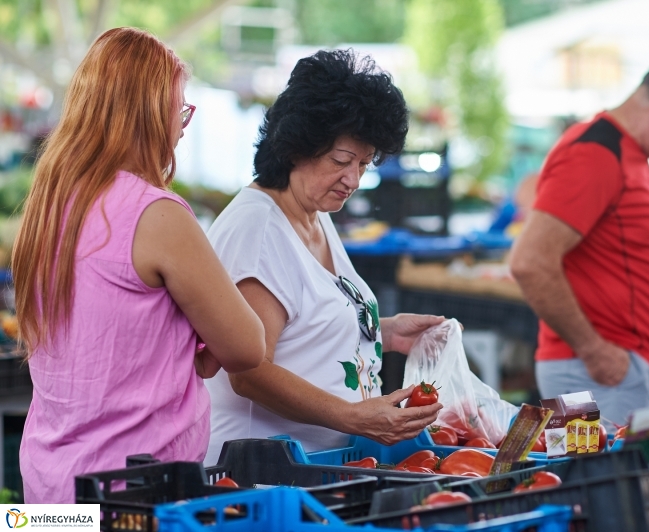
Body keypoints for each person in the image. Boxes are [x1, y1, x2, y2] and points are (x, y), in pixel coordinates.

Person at [12, 28, 266, 503]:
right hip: (133, 496)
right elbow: (247, 346)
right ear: (149, 114)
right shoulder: (157, 214)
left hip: (47, 491)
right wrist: (198, 346)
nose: (183, 124)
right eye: (180, 109)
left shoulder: (48, 208)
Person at [203, 49, 443, 464]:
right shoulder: (258, 231)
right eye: (341, 161)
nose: (353, 180)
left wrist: (383, 331)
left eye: (365, 164)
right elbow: (248, 371)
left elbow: (304, 325)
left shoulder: (313, 212)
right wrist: (352, 417)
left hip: (320, 467)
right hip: (260, 471)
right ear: (298, 147)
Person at [509, 53, 649, 427]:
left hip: (607, 369)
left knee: (602, 483)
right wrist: (593, 350)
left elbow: (610, 260)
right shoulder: (595, 153)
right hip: (592, 374)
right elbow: (529, 262)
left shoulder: (626, 153)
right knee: (596, 484)